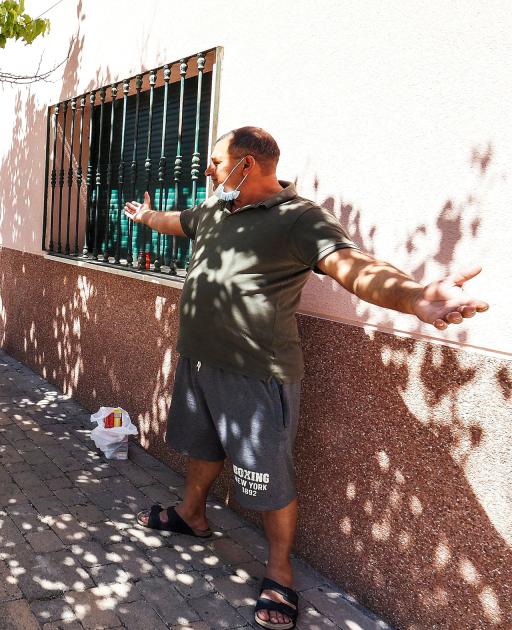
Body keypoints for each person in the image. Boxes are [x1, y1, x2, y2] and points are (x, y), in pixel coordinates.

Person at [123, 126, 489, 630]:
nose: (207, 170)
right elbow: (177, 222)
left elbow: (351, 266)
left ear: (244, 164)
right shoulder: (213, 209)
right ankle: (193, 514)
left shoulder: (299, 219)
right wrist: (145, 218)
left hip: (258, 374)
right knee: (201, 447)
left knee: (268, 476)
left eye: (214, 161)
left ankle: (279, 571)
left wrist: (414, 297)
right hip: (200, 360)